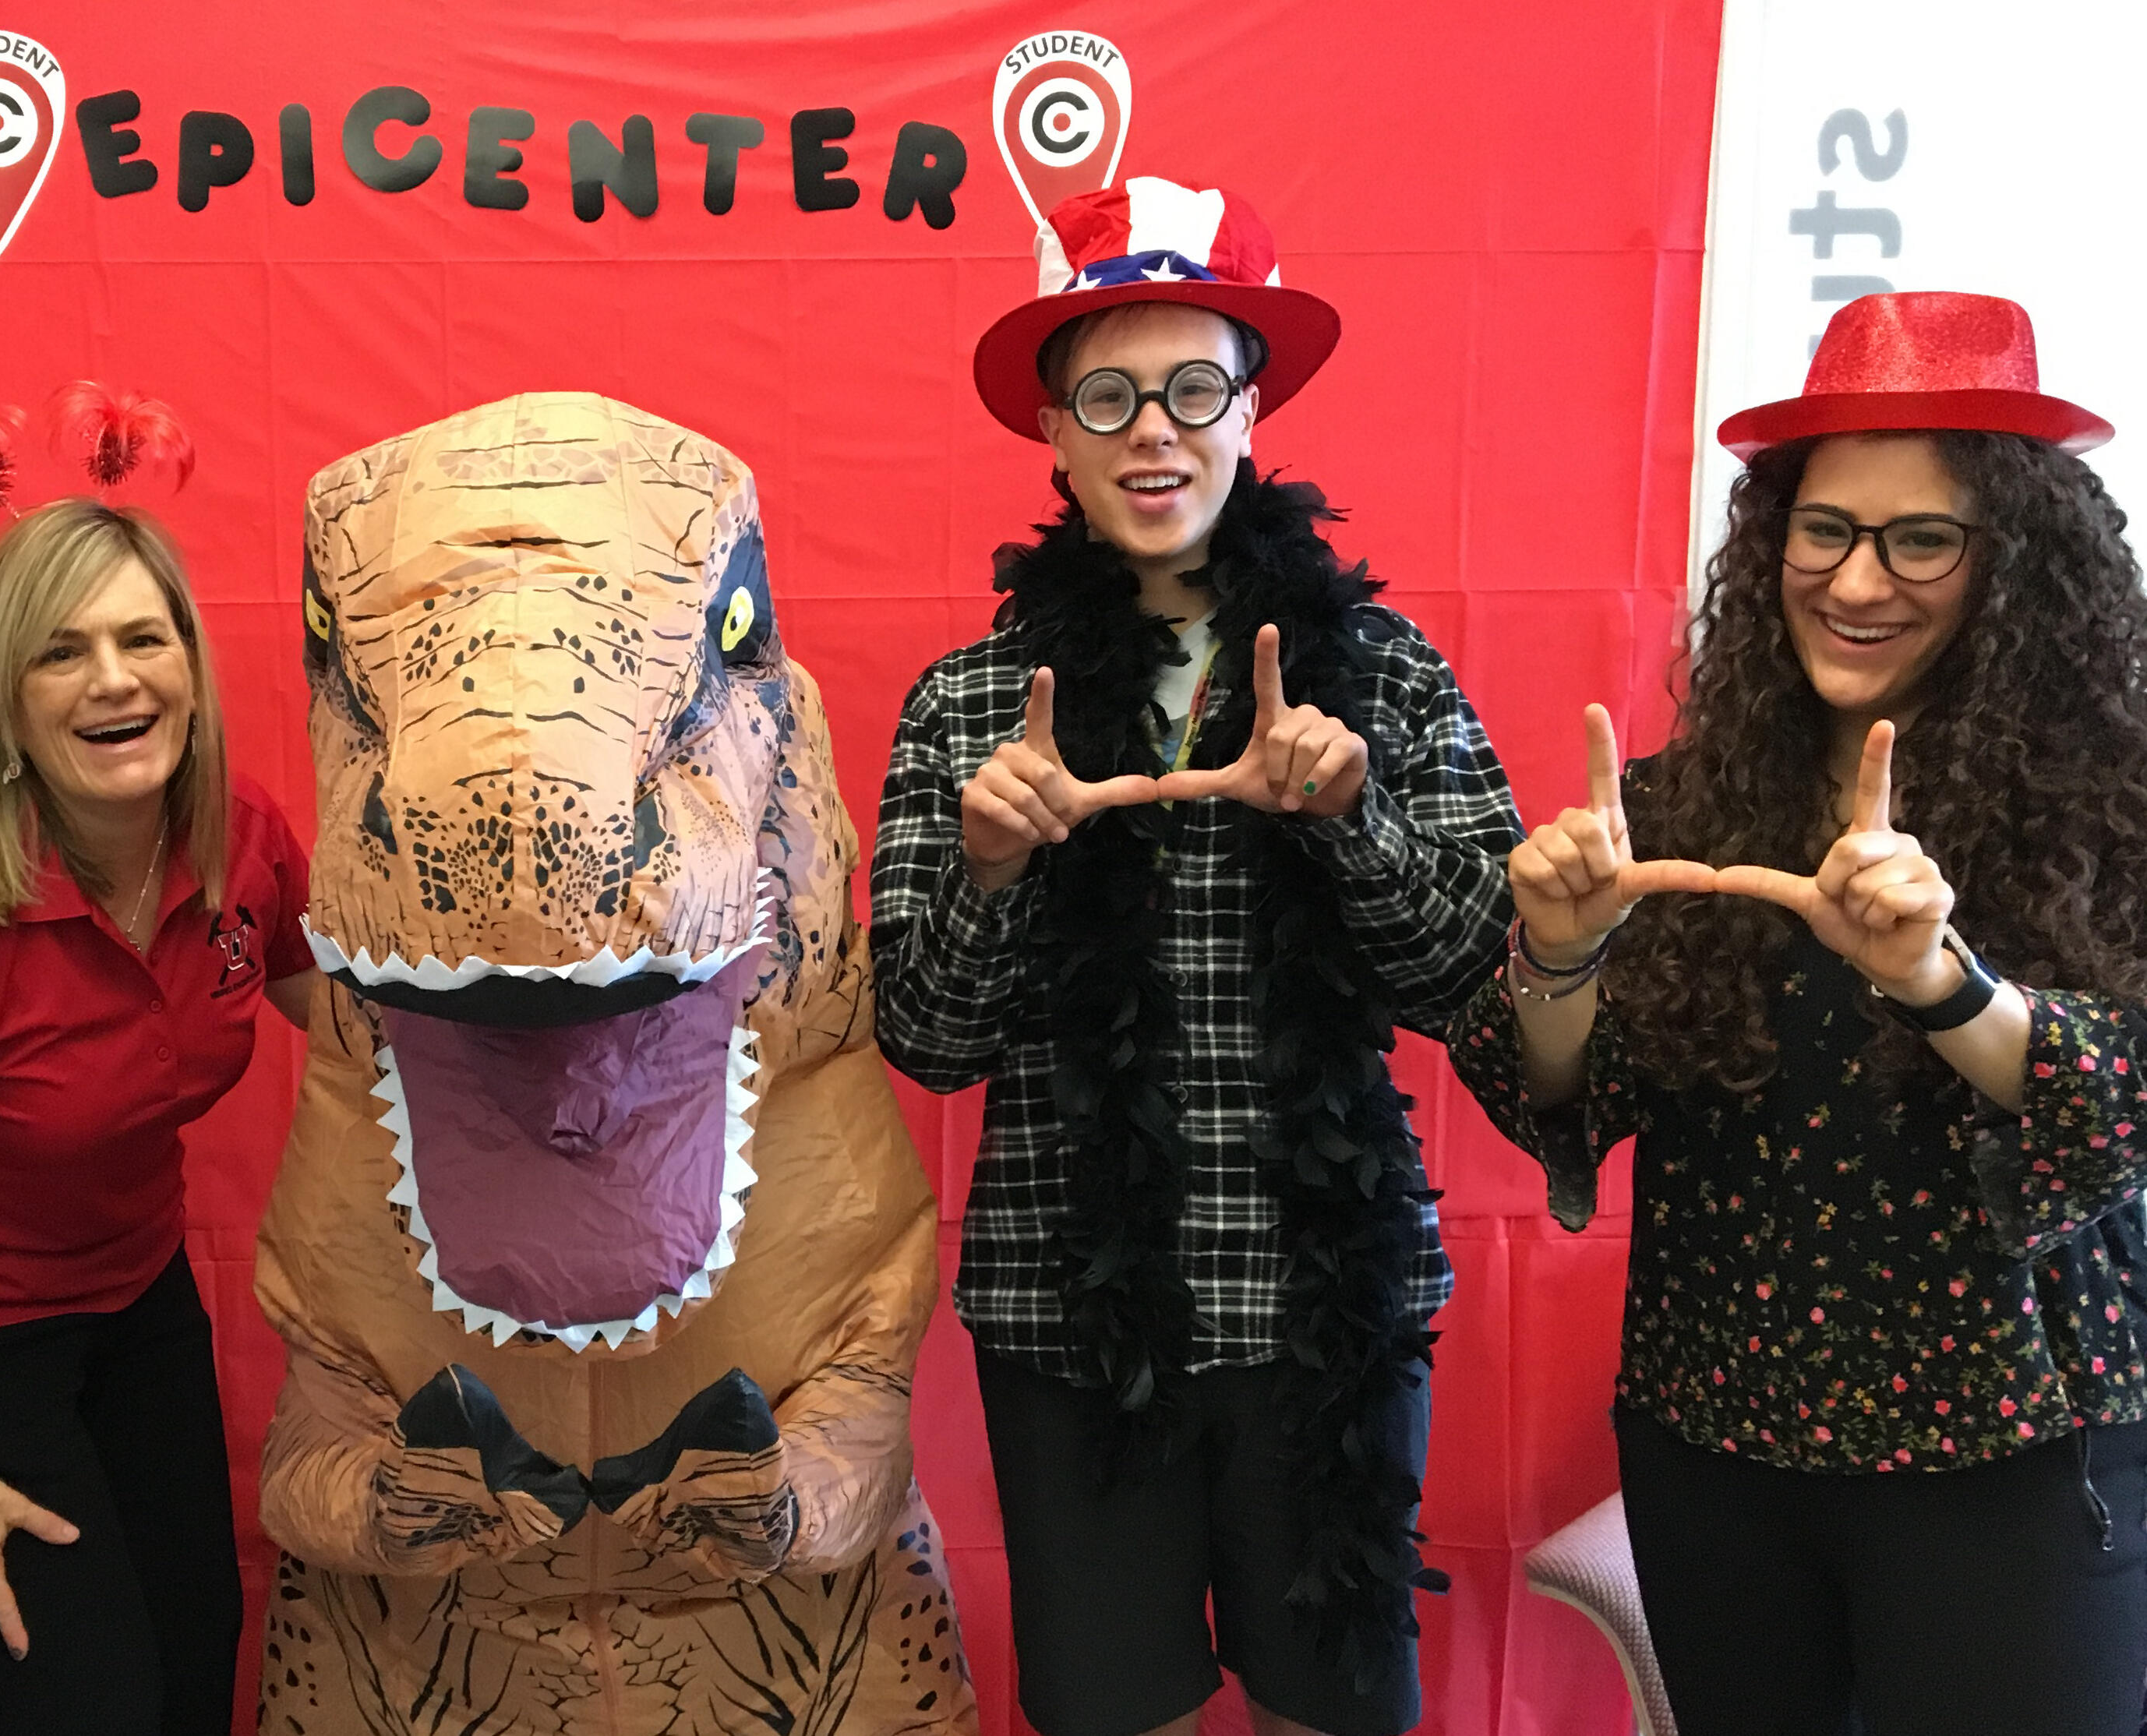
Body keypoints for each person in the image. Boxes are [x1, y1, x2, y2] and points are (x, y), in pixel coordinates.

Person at [870, 175, 1521, 1736]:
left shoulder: (1386, 668)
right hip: (1073, 1319)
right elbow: (925, 1037)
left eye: (1191, 387)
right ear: (1053, 428)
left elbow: (1478, 981)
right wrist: (987, 869)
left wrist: (1355, 823)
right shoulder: (967, 703)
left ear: (1253, 401)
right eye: (1108, 394)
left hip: (1321, 1309)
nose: (1151, 432)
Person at [1446, 289, 2147, 1735]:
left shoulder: (2115, 799)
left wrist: (1938, 984)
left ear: (2014, 562)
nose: (1859, 578)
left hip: (2011, 1452)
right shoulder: (1675, 803)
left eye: (1922, 538)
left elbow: (2122, 1102)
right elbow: (1559, 1099)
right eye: (1823, 530)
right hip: (1723, 1457)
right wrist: (1561, 956)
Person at [0, 497, 316, 1736]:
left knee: (198, 1669)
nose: (114, 679)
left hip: (136, 1305)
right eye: (61, 650)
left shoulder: (242, 841)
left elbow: (360, 1025)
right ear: (5, 701)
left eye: (144, 640)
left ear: (192, 669)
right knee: (89, 1708)